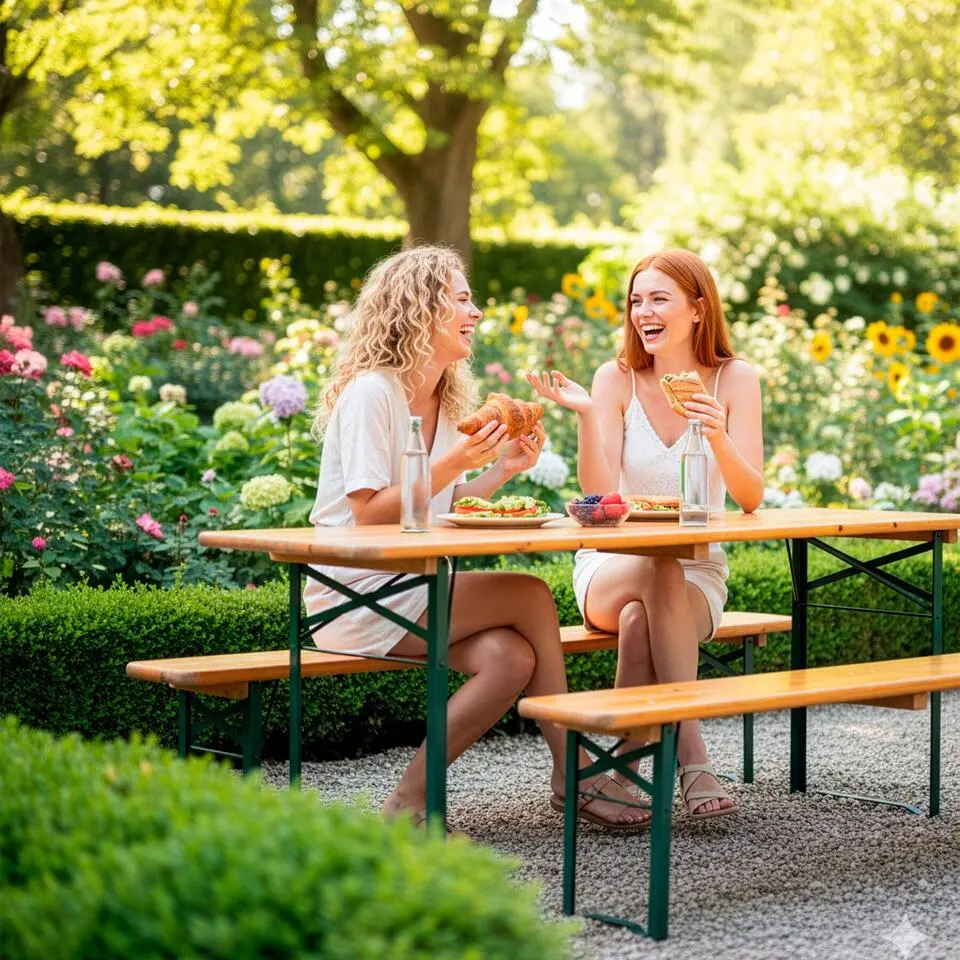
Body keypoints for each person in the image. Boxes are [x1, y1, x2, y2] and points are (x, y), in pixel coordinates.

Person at [308, 246, 648, 830]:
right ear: (419, 306)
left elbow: (443, 505)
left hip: (413, 586)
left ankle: (406, 802)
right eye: (462, 298)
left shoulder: (443, 399)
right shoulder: (373, 393)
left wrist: (502, 469)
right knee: (530, 596)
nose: (477, 311)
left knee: (510, 658)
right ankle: (574, 774)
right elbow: (369, 515)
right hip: (356, 593)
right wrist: (455, 459)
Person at [527, 248, 764, 819]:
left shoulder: (736, 379)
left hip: (698, 574)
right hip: (610, 563)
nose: (643, 312)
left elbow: (751, 497)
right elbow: (598, 495)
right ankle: (694, 757)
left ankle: (622, 769)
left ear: (698, 309)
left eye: (660, 298)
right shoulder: (616, 379)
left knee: (646, 613)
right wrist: (587, 414)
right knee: (657, 565)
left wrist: (718, 435)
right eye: (637, 300)